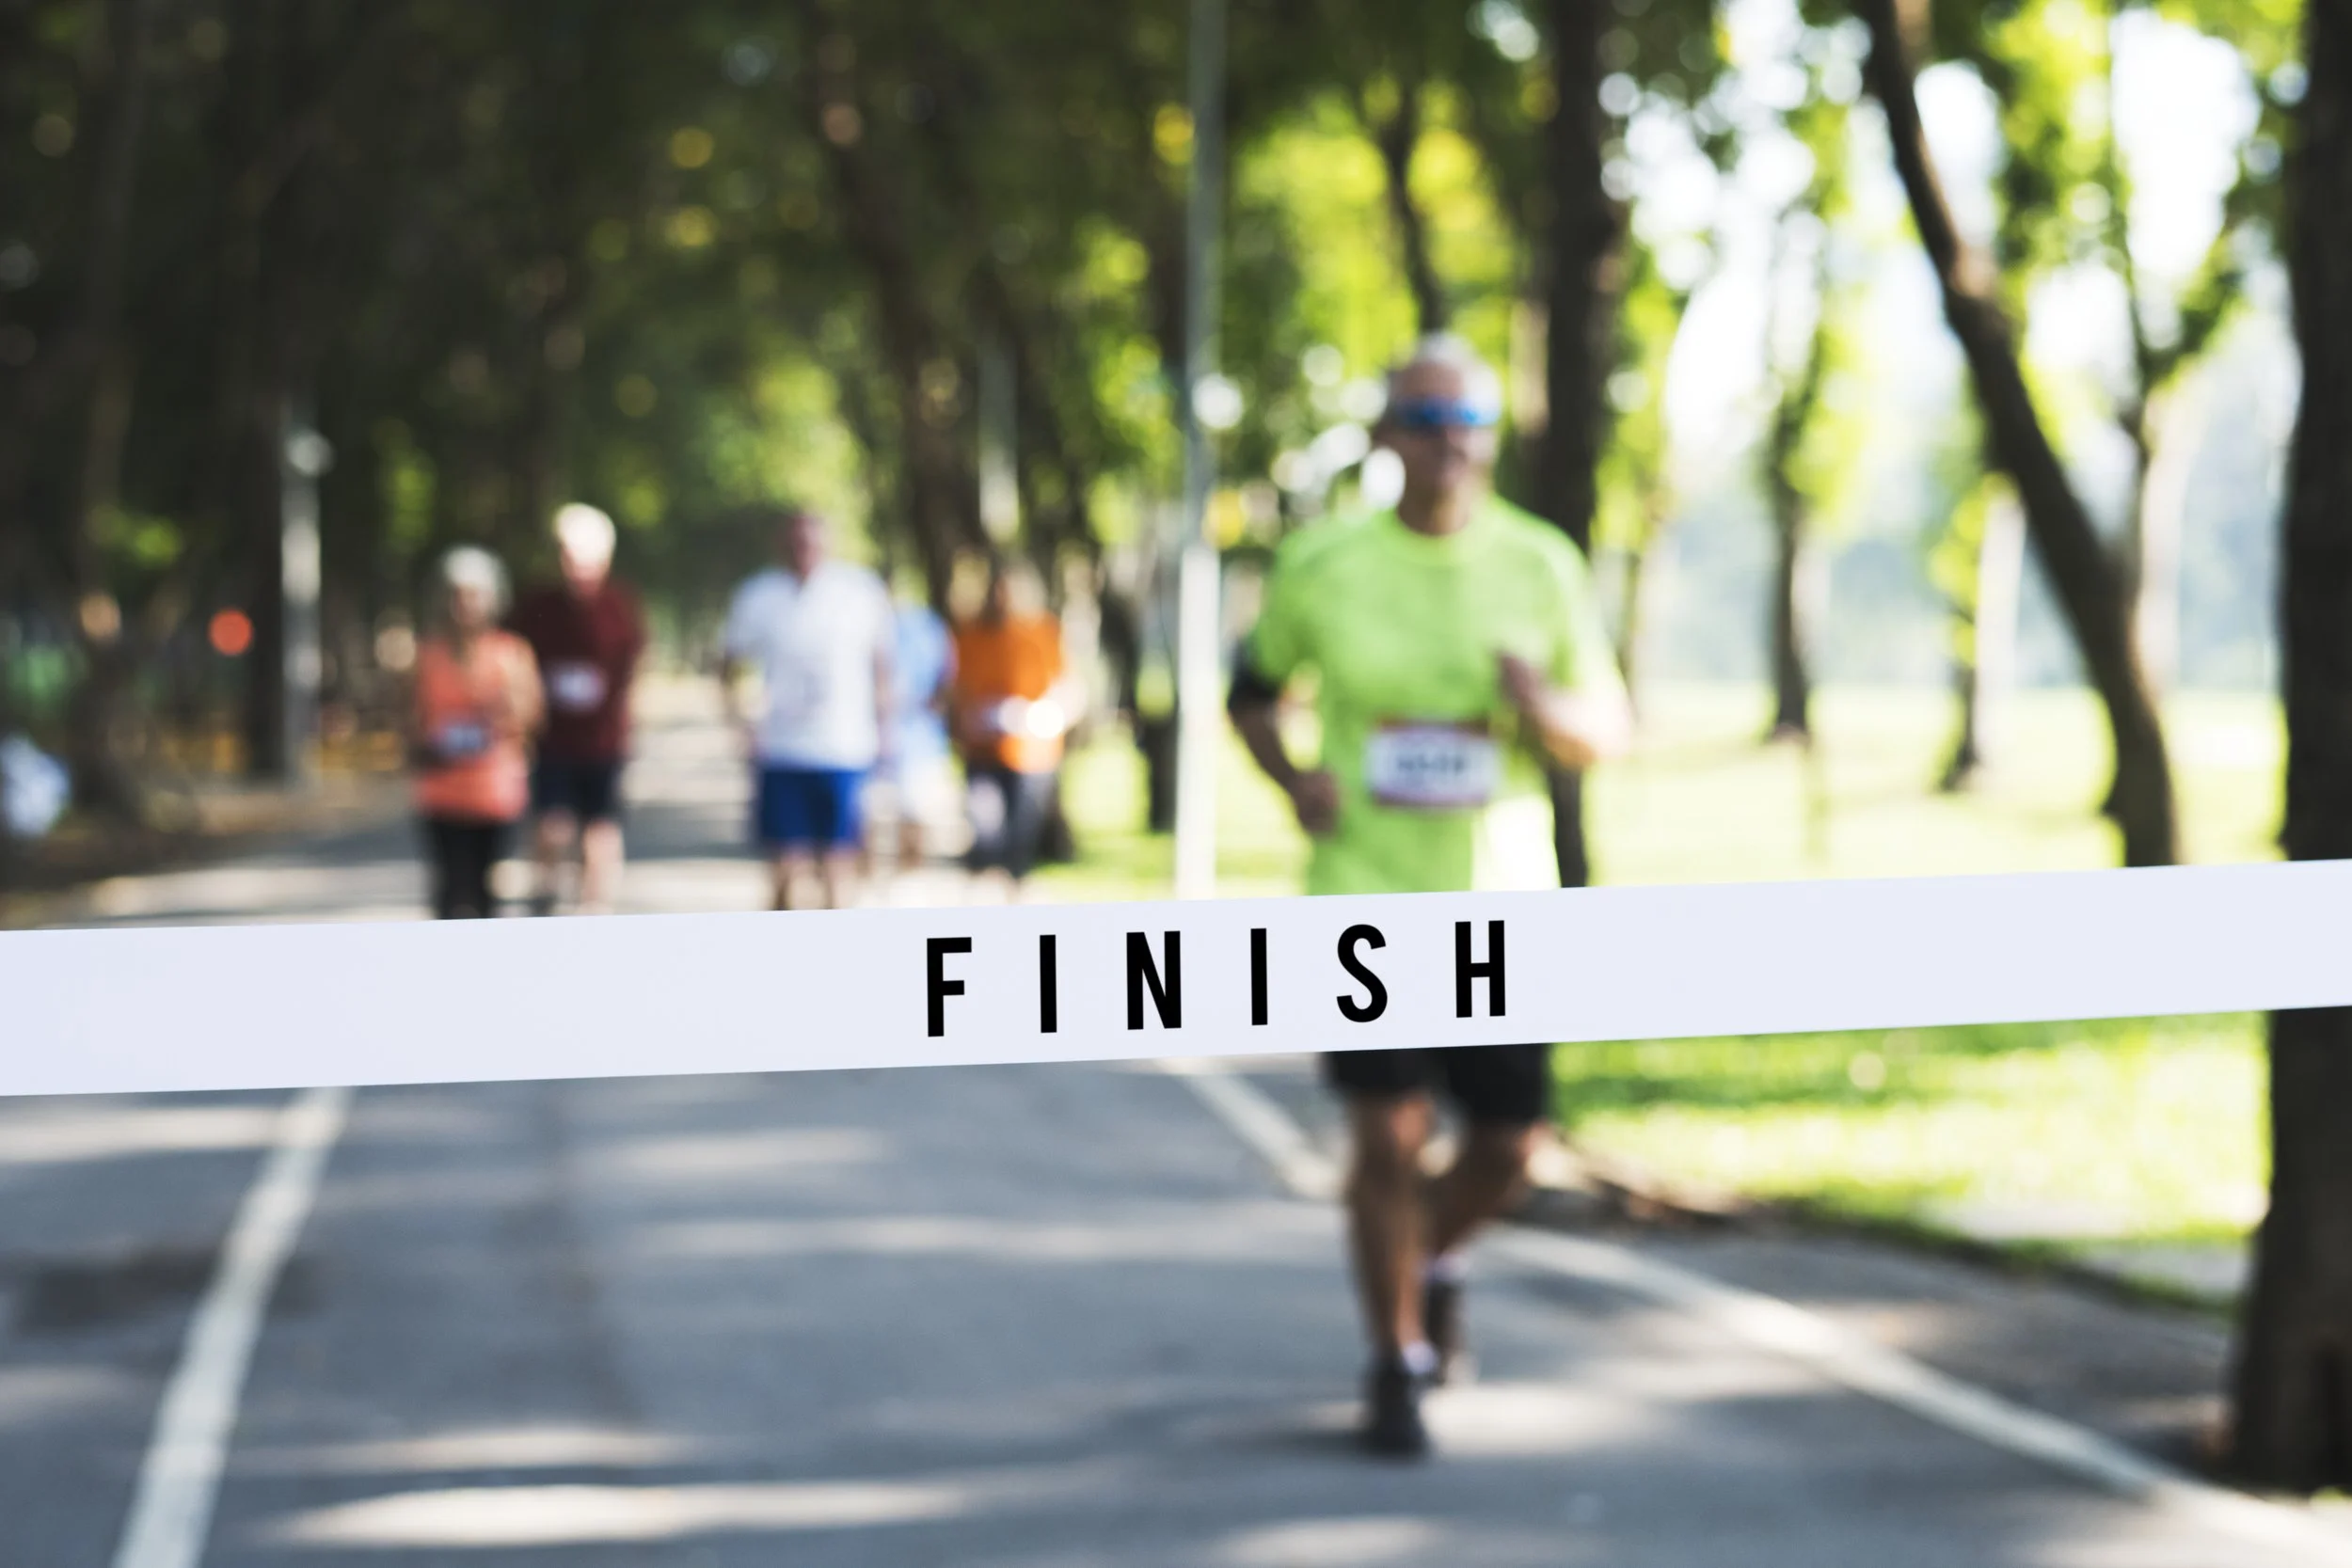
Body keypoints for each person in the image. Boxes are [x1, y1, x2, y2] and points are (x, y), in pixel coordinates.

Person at [1228, 335, 1631, 1459]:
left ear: (1489, 438)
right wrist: (1292, 774)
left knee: (1510, 1146)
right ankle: (1395, 1360)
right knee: (1388, 1138)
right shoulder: (1323, 563)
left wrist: (1539, 700)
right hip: (1363, 888)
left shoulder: (1539, 563)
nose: (1445, 444)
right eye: (1421, 419)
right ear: (1386, 436)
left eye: (1464, 423)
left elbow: (1604, 730)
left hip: (1500, 901)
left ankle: (1435, 1256)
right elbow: (1252, 692)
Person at [719, 506, 894, 911]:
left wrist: (886, 729)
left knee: (838, 865)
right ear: (781, 544)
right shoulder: (758, 595)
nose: (805, 550)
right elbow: (729, 664)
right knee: (784, 868)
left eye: (813, 541)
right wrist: (739, 723)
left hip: (844, 748)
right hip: (781, 750)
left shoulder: (859, 592)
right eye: (797, 541)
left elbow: (882, 666)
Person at [508, 503, 646, 915]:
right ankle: (545, 900)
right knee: (551, 827)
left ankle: (595, 907)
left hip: (603, 741)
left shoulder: (620, 606)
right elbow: (515, 661)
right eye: (567, 557)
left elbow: (633, 668)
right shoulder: (537, 605)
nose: (575, 569)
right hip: (551, 740)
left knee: (599, 831)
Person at [411, 546, 542, 920]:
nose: (464, 606)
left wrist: (501, 709)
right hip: (442, 791)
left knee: (488, 893)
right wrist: (426, 748)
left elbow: (531, 716)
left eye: (473, 596)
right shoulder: (427, 655)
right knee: (449, 889)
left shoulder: (511, 653)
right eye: (456, 596)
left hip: (494, 793)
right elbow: (411, 720)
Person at [950, 562, 1069, 897]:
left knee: (1020, 842)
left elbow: (1065, 688)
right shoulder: (971, 635)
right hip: (983, 749)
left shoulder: (1044, 632)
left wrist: (1044, 715)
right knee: (985, 833)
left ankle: (1015, 901)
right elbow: (957, 689)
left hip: (1031, 753)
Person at [872, 581, 959, 877]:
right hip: (871, 740)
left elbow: (947, 678)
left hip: (920, 740)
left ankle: (907, 880)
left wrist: (933, 702)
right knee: (868, 821)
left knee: (916, 815)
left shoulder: (925, 626)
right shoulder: (863, 629)